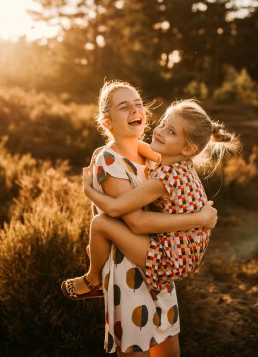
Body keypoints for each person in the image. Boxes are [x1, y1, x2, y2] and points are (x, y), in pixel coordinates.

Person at [61, 81, 218, 357]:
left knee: (169, 355)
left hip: (159, 263)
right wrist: (199, 219)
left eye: (137, 103)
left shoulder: (149, 153)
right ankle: (93, 280)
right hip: (129, 272)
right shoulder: (108, 158)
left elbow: (179, 173)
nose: (135, 109)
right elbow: (134, 221)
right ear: (107, 122)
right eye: (124, 106)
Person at [68, 99, 240, 294]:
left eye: (171, 132)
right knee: (106, 230)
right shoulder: (179, 163)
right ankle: (100, 252)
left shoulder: (165, 179)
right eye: (164, 123)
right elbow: (139, 146)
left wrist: (88, 189)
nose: (160, 131)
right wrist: (109, 147)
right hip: (184, 256)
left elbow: (116, 208)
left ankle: (92, 280)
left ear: (188, 149)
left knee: (100, 223)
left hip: (167, 260)